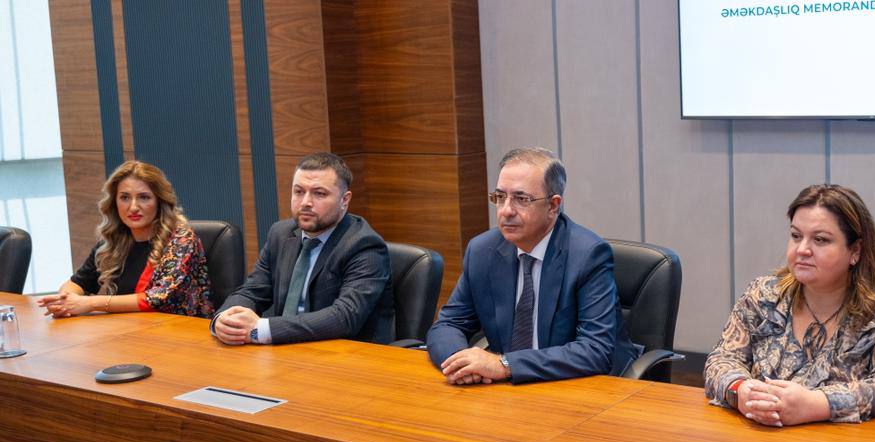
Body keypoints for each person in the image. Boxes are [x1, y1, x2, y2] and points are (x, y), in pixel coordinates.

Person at [704, 184, 875, 426]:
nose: (802, 249)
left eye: (820, 240)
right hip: (771, 439)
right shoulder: (763, 295)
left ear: (855, 250)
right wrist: (741, 391)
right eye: (796, 236)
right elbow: (721, 359)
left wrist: (817, 404)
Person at [427, 147, 638, 384]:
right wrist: (462, 364)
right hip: (509, 387)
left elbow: (595, 350)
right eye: (500, 197)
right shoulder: (482, 251)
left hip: (581, 385)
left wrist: (505, 365)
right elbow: (448, 325)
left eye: (521, 199)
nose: (506, 210)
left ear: (553, 205)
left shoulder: (587, 255)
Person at [212, 152, 394, 345]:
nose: (306, 202)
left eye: (319, 193)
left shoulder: (364, 245)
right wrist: (225, 319)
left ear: (345, 200)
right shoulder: (281, 234)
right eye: (299, 192)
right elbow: (252, 290)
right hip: (286, 347)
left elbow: (345, 316)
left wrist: (260, 329)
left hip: (346, 354)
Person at [38, 161, 213, 318]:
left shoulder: (181, 240)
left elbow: (158, 298)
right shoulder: (112, 241)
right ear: (114, 203)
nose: (133, 207)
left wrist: (90, 303)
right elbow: (78, 283)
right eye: (124, 197)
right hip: (128, 331)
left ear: (160, 201)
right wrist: (64, 301)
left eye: (144, 197)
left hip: (177, 334)